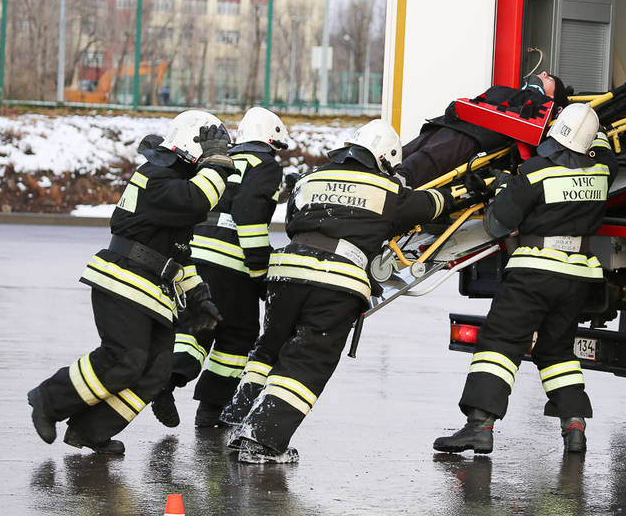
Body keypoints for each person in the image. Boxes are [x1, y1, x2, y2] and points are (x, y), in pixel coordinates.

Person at [220, 119, 472, 464]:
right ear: (385, 159)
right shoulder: (386, 188)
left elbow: (293, 220)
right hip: (336, 280)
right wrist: (471, 190)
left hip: (286, 271)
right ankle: (261, 439)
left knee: (269, 349)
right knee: (308, 361)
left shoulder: (311, 178)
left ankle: (239, 419)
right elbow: (428, 205)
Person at [26, 110, 234, 454]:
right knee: (124, 360)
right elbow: (197, 200)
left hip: (151, 289)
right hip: (124, 281)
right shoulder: (157, 175)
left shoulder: (175, 181)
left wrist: (198, 295)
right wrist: (214, 165)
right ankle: (48, 399)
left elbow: (178, 253)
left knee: (154, 373)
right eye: (212, 152)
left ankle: (90, 431)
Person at [433, 102, 617, 455]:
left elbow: (498, 223)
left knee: (500, 343)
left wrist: (503, 188)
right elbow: (605, 147)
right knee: (556, 351)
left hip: (534, 272)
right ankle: (574, 425)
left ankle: (479, 427)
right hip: (578, 277)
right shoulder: (602, 172)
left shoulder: (534, 173)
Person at [151, 107, 288, 429]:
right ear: (272, 141)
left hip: (193, 258)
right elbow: (250, 214)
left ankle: (167, 379)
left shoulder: (219, 158)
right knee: (238, 335)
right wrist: (259, 270)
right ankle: (213, 409)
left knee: (196, 325)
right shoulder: (266, 165)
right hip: (231, 266)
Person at [395, 71, 571, 188]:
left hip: (477, 136)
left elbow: (529, 121)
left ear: (552, 97)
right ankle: (380, 171)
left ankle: (398, 180)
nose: (544, 73)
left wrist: (535, 91)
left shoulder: (544, 107)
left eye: (550, 79)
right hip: (451, 125)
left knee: (431, 154)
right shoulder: (508, 91)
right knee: (409, 150)